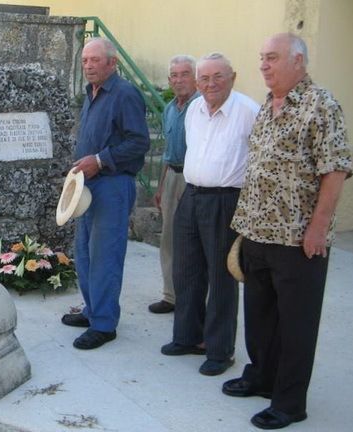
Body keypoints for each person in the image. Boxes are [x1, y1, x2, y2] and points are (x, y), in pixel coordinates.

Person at [223, 33, 352, 430]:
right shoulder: (268, 105)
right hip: (257, 232)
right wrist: (244, 231)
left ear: (298, 61)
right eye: (262, 58)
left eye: (272, 58)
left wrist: (318, 228)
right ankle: (262, 376)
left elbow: (335, 169)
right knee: (260, 316)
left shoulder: (321, 104)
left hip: (297, 239)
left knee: (296, 323)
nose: (264, 65)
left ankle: (290, 402)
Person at [161, 53, 259, 376]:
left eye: (218, 76)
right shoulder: (194, 110)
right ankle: (188, 336)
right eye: (204, 78)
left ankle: (219, 350)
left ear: (233, 77)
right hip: (192, 195)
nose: (210, 84)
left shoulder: (248, 111)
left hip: (225, 200)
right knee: (186, 269)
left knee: (221, 278)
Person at [61, 37, 150, 349]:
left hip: (113, 184)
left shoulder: (125, 94)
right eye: (85, 60)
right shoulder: (91, 93)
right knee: (84, 252)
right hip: (87, 185)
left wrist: (99, 161)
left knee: (105, 256)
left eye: (95, 60)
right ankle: (92, 310)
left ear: (112, 63)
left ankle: (104, 324)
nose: (88, 66)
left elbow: (139, 143)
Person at [148, 55, 199, 314]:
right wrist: (160, 187)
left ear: (195, 78)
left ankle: (192, 298)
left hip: (195, 180)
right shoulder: (169, 108)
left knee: (192, 242)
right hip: (172, 177)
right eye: (174, 75)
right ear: (169, 81)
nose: (179, 80)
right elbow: (168, 151)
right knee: (168, 238)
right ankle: (170, 296)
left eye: (185, 74)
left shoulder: (201, 106)